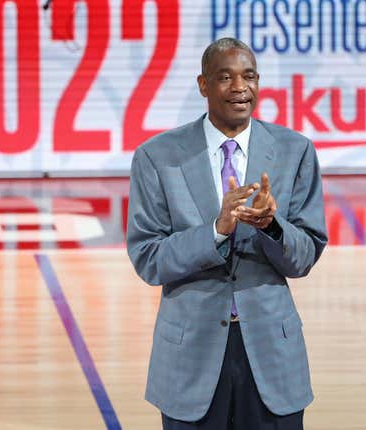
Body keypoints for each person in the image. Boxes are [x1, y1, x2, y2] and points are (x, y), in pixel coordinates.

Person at [127, 37, 327, 430]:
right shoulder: (157, 157)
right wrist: (216, 231)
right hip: (192, 358)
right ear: (203, 85)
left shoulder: (295, 150)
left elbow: (304, 256)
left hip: (271, 354)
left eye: (249, 76)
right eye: (225, 77)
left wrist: (272, 226)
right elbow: (149, 259)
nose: (240, 87)